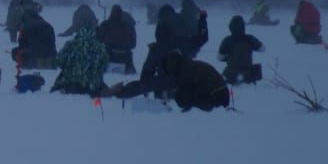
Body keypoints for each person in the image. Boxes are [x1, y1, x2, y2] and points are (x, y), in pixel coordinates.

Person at [98, 51, 231, 112]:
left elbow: (154, 84)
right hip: (222, 95)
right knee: (180, 94)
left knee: (181, 97)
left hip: (215, 98)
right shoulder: (189, 65)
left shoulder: (183, 71)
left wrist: (124, 91)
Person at [50, 25, 108, 95]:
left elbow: (59, 62)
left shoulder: (71, 44)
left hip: (70, 83)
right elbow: (104, 66)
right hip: (92, 86)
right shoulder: (100, 47)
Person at [218, 15, 265, 84]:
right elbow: (262, 49)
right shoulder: (250, 38)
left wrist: (227, 58)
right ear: (243, 27)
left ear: (230, 27)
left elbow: (220, 58)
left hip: (230, 73)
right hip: (248, 72)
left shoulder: (227, 40)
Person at [96, 4, 137, 74]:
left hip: (109, 56)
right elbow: (133, 44)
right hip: (126, 58)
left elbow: (98, 39)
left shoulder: (106, 24)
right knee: (131, 75)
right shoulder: (127, 26)